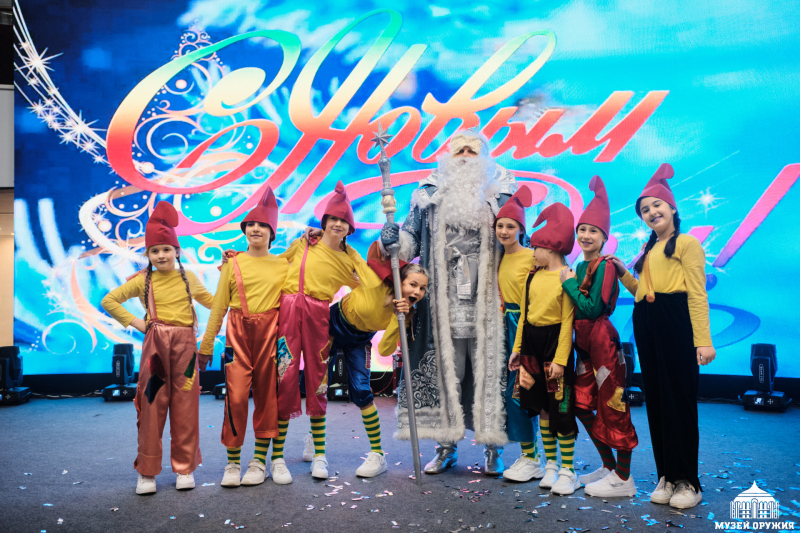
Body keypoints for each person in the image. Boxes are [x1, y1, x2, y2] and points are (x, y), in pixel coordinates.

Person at [380, 129, 517, 476]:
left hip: (488, 302)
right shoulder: (429, 194)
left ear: (484, 156)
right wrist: (392, 239)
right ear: (449, 156)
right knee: (446, 374)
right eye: (460, 151)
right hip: (441, 302)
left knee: (489, 375)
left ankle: (493, 449)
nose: (466, 157)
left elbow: (519, 242)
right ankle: (445, 447)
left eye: (473, 151)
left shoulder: (502, 193)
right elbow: (408, 242)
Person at [607, 163, 715, 509]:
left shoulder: (687, 243)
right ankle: (666, 475)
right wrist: (624, 273)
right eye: (644, 209)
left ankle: (687, 481)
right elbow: (643, 292)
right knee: (656, 400)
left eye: (656, 205)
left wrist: (703, 340)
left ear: (672, 208)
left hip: (675, 319)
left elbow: (696, 293)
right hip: (648, 321)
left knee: (678, 400)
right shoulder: (649, 249)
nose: (651, 212)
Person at [101, 201, 214, 495]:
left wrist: (231, 277)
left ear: (177, 251)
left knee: (186, 406)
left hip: (186, 349)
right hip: (156, 348)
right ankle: (147, 471)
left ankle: (185, 468)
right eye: (154, 251)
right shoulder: (142, 280)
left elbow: (216, 303)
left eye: (166, 249)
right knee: (151, 404)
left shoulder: (189, 278)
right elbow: (109, 301)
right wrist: (139, 323)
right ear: (148, 255)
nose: (161, 255)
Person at [272, 181, 379, 483]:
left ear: (350, 228)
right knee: (284, 378)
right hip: (288, 313)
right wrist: (238, 262)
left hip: (319, 316)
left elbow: (369, 284)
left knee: (318, 383)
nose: (337, 224)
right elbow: (274, 266)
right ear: (324, 222)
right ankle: (277, 458)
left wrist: (355, 256)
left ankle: (320, 454)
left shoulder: (347, 260)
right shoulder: (305, 243)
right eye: (333, 219)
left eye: (343, 221)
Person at [199, 187, 289, 487]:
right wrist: (206, 344)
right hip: (236, 336)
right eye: (250, 224)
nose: (255, 229)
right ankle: (232, 463)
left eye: (262, 225)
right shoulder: (233, 263)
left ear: (272, 232)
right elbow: (219, 306)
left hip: (270, 336)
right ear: (244, 230)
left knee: (268, 399)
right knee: (235, 398)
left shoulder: (283, 264)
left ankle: (259, 462)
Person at [318, 243, 429, 478]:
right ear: (399, 281)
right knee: (318, 386)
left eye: (422, 288)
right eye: (413, 284)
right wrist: (326, 238)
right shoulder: (374, 282)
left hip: (359, 340)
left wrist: (400, 317)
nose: (418, 291)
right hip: (331, 326)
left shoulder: (405, 314)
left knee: (362, 391)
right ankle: (316, 447)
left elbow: (386, 349)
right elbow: (354, 256)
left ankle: (377, 454)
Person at [559, 176, 638, 497]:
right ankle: (609, 466)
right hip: (584, 347)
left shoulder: (604, 265)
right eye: (582, 229)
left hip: (603, 344)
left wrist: (567, 283)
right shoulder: (579, 266)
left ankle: (625, 477)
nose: (586, 235)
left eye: (593, 231)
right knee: (581, 405)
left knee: (614, 407)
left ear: (604, 237)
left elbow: (592, 308)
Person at [508, 202, 580, 495]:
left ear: (550, 248)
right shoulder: (532, 276)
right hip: (531, 344)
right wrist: (517, 348)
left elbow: (567, 322)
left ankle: (568, 469)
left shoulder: (567, 277)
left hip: (554, 345)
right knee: (539, 406)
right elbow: (525, 315)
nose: (532, 252)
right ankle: (550, 464)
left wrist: (560, 359)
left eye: (535, 247)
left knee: (560, 407)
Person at [493, 187, 545, 483]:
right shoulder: (499, 258)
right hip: (504, 325)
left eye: (510, 226)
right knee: (510, 391)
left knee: (521, 391)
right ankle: (530, 454)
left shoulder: (532, 257)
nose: (504, 231)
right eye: (500, 225)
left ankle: (533, 458)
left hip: (526, 326)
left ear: (521, 230)